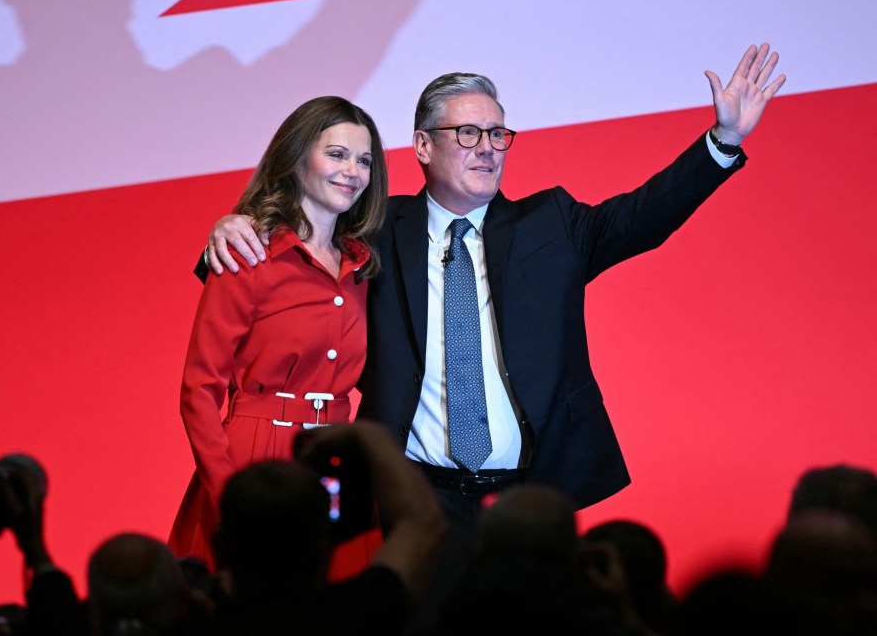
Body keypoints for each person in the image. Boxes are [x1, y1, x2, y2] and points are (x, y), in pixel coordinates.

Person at [201, 44, 785, 527]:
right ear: (423, 146)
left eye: (497, 133)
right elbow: (302, 234)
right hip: (410, 496)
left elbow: (644, 216)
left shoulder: (551, 224)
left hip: (527, 499)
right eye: (468, 132)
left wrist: (722, 144)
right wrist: (237, 224)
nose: (487, 147)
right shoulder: (374, 230)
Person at [169, 96, 389, 572]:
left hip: (338, 466)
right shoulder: (246, 253)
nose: (353, 170)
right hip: (255, 462)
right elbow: (199, 390)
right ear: (295, 158)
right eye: (337, 154)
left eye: (364, 160)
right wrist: (229, 496)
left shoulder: (364, 264)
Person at [212, 421, 445, 636]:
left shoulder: (189, 618)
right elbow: (422, 521)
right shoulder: (359, 615)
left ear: (219, 544)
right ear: (324, 547)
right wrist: (368, 433)